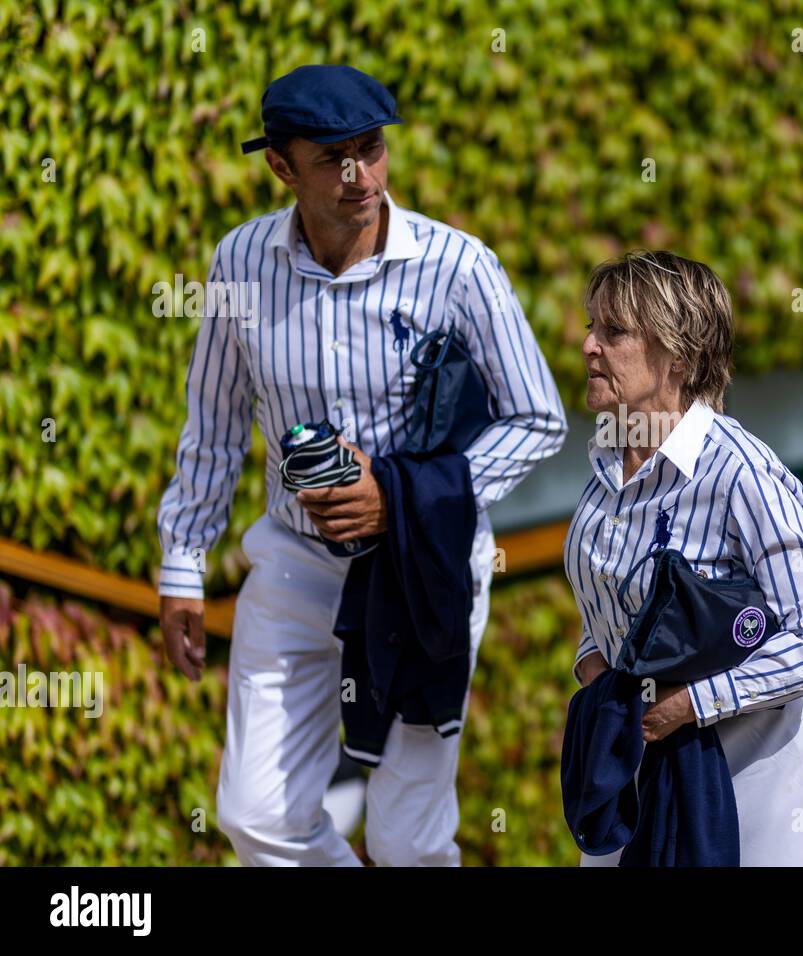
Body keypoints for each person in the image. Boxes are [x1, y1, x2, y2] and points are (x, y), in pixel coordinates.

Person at [156, 65, 568, 865]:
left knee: (407, 842)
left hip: (425, 572)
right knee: (254, 817)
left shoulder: (460, 267)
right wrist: (182, 566)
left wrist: (403, 500)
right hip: (293, 569)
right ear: (281, 165)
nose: (361, 177)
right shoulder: (239, 262)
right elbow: (212, 418)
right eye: (333, 158)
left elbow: (538, 418)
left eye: (373, 149)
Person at [564, 250, 803, 865]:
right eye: (590, 327)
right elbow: (616, 603)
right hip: (636, 762)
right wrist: (596, 672)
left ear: (678, 355)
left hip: (763, 785)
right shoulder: (605, 462)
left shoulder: (742, 473)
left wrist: (688, 705)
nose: (588, 347)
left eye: (613, 332)